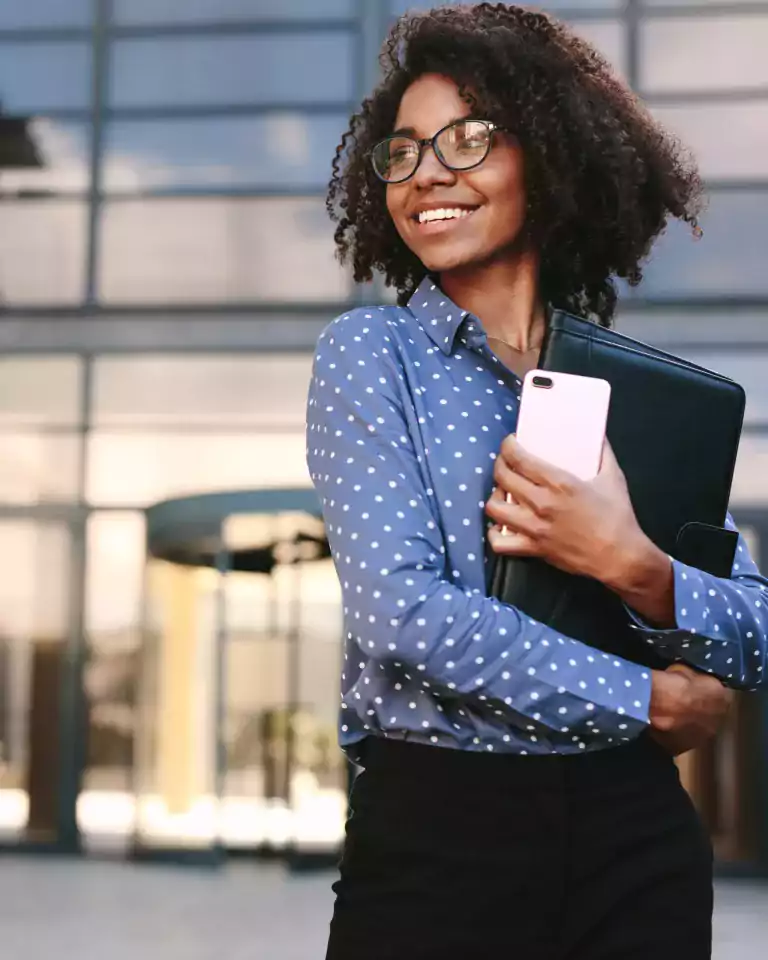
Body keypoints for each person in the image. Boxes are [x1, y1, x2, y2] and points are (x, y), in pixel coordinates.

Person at [306, 5, 768, 958]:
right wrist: (649, 700)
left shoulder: (639, 396)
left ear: (549, 160)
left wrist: (633, 564)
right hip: (441, 834)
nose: (428, 171)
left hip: (636, 840)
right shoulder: (374, 355)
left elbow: (756, 628)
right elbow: (402, 616)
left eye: (469, 139)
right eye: (402, 151)